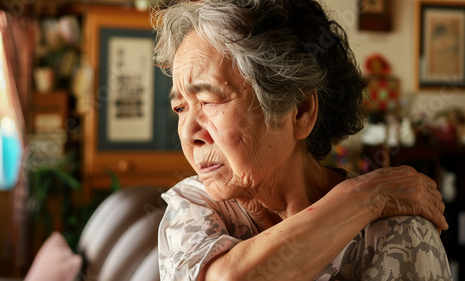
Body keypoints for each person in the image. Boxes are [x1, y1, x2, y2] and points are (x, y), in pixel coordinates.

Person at [152, 0, 451, 280]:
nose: (189, 134)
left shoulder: (397, 234)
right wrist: (364, 196)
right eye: (180, 108)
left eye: (208, 101)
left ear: (300, 112)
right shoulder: (194, 204)